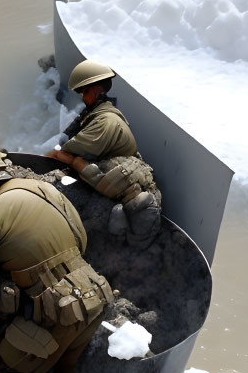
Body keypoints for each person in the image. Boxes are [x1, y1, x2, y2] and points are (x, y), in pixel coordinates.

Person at [0, 138, 115, 373]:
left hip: (58, 313)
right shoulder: (45, 189)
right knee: (64, 371)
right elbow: (81, 241)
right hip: (94, 297)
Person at [45, 60, 162, 247]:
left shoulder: (105, 122)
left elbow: (68, 150)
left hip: (122, 186)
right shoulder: (98, 113)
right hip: (111, 177)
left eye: (84, 92)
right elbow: (74, 130)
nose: (83, 97)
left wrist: (61, 157)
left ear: (93, 91)